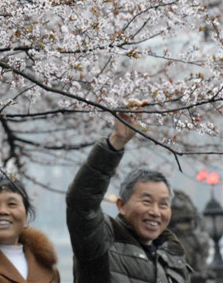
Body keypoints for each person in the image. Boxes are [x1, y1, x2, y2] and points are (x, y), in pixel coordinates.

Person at [65, 105, 190, 282]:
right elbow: (81, 203)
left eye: (163, 204)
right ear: (121, 205)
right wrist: (116, 141)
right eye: (146, 202)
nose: (155, 211)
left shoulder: (173, 256)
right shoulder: (101, 240)